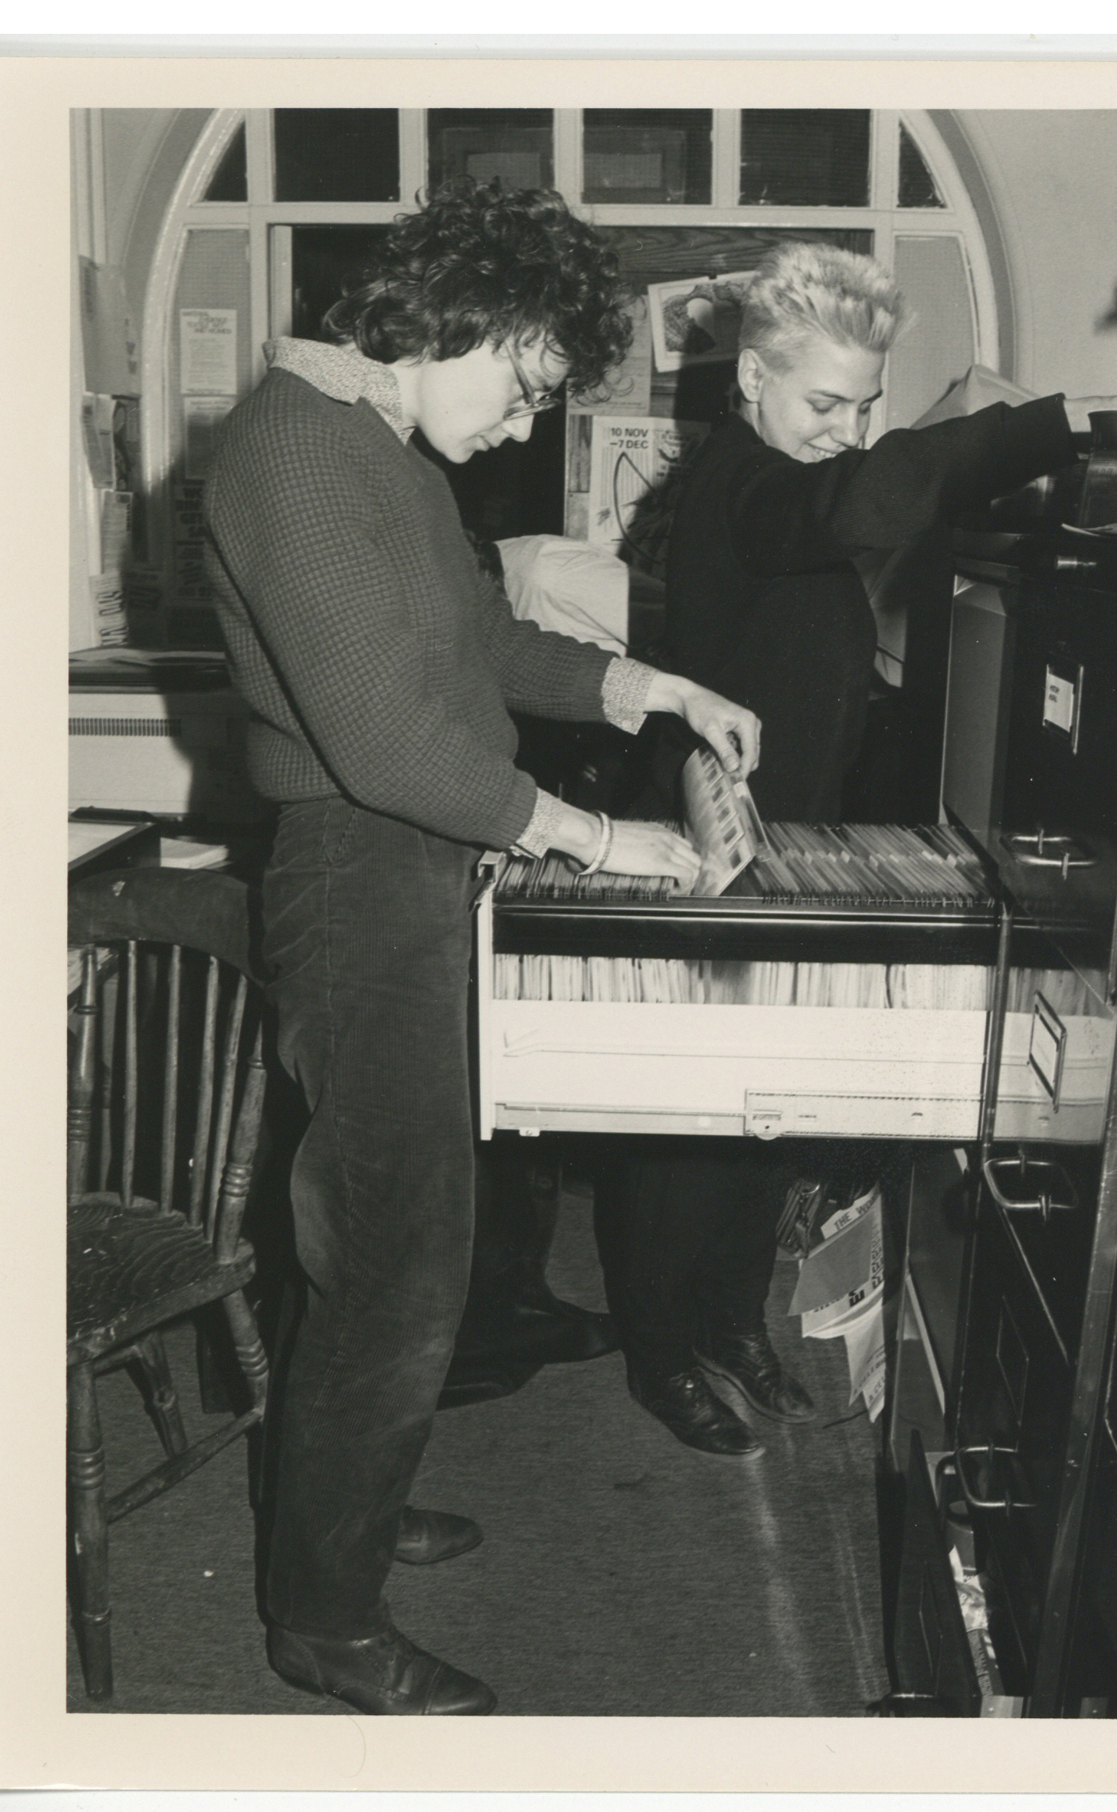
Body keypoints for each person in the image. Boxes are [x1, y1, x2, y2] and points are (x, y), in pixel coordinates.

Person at [202, 178, 762, 1714]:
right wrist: (595, 837)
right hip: (360, 871)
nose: (524, 424)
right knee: (395, 1262)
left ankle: (342, 1523)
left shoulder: (373, 444)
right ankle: (322, 1614)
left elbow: (481, 645)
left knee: (376, 1245)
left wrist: (652, 690)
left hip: (411, 866)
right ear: (468, 322)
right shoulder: (298, 453)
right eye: (524, 384)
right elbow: (388, 743)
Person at [593, 241, 1117, 1457]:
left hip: (788, 838)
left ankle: (726, 1324)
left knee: (762, 1111)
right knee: (685, 1128)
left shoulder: (783, 467)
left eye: (865, 407)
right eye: (822, 403)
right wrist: (1055, 425)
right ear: (750, 386)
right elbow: (853, 500)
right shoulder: (740, 479)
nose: (844, 430)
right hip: (706, 842)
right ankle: (662, 1352)